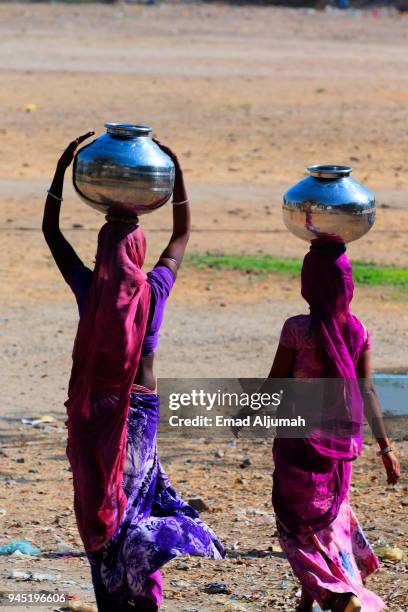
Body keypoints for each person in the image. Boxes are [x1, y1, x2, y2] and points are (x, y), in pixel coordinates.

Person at [42, 132, 224, 612]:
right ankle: (142, 590)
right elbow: (181, 236)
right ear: (140, 252)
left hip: (93, 413)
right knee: (134, 502)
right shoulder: (154, 290)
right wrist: (176, 174)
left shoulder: (90, 288)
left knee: (98, 503)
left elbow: (52, 235)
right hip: (141, 410)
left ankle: (110, 595)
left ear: (102, 255)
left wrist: (61, 175)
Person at [268, 241, 400, 612]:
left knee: (296, 529)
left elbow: (277, 382)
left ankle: (337, 596)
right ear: (347, 284)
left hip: (298, 445)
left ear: (308, 282)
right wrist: (385, 448)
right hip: (340, 448)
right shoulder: (358, 331)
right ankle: (306, 601)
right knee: (326, 523)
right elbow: (368, 390)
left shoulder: (296, 329)